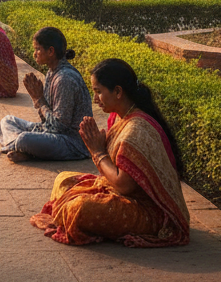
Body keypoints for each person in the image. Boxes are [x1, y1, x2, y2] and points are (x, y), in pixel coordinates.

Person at [30, 58, 190, 247]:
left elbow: (124, 185)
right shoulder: (119, 117)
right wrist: (98, 147)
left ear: (118, 92)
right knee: (63, 179)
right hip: (120, 193)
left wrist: (97, 152)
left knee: (80, 209)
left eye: (98, 92)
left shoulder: (136, 129)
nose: (95, 99)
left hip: (149, 213)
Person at [0, 27, 92, 162]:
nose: (34, 53)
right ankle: (21, 148)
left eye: (38, 49)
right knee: (7, 121)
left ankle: (20, 146)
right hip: (50, 132)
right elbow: (46, 122)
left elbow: (59, 127)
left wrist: (39, 100)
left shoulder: (64, 79)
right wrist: (39, 101)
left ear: (51, 51)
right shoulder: (51, 73)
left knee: (25, 139)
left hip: (71, 142)